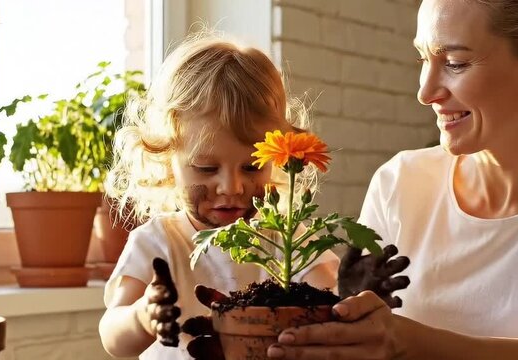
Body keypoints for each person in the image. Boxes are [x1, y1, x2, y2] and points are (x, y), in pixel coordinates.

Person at [262, 0, 518, 359]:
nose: (425, 92)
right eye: (423, 58)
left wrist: (403, 341)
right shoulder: (400, 183)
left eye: (455, 63)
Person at [97, 31, 341, 360]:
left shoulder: (287, 240)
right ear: (167, 159)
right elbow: (113, 337)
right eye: (206, 168)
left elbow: (330, 308)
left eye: (253, 167)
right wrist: (143, 316)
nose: (232, 187)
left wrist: (352, 294)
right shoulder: (157, 243)